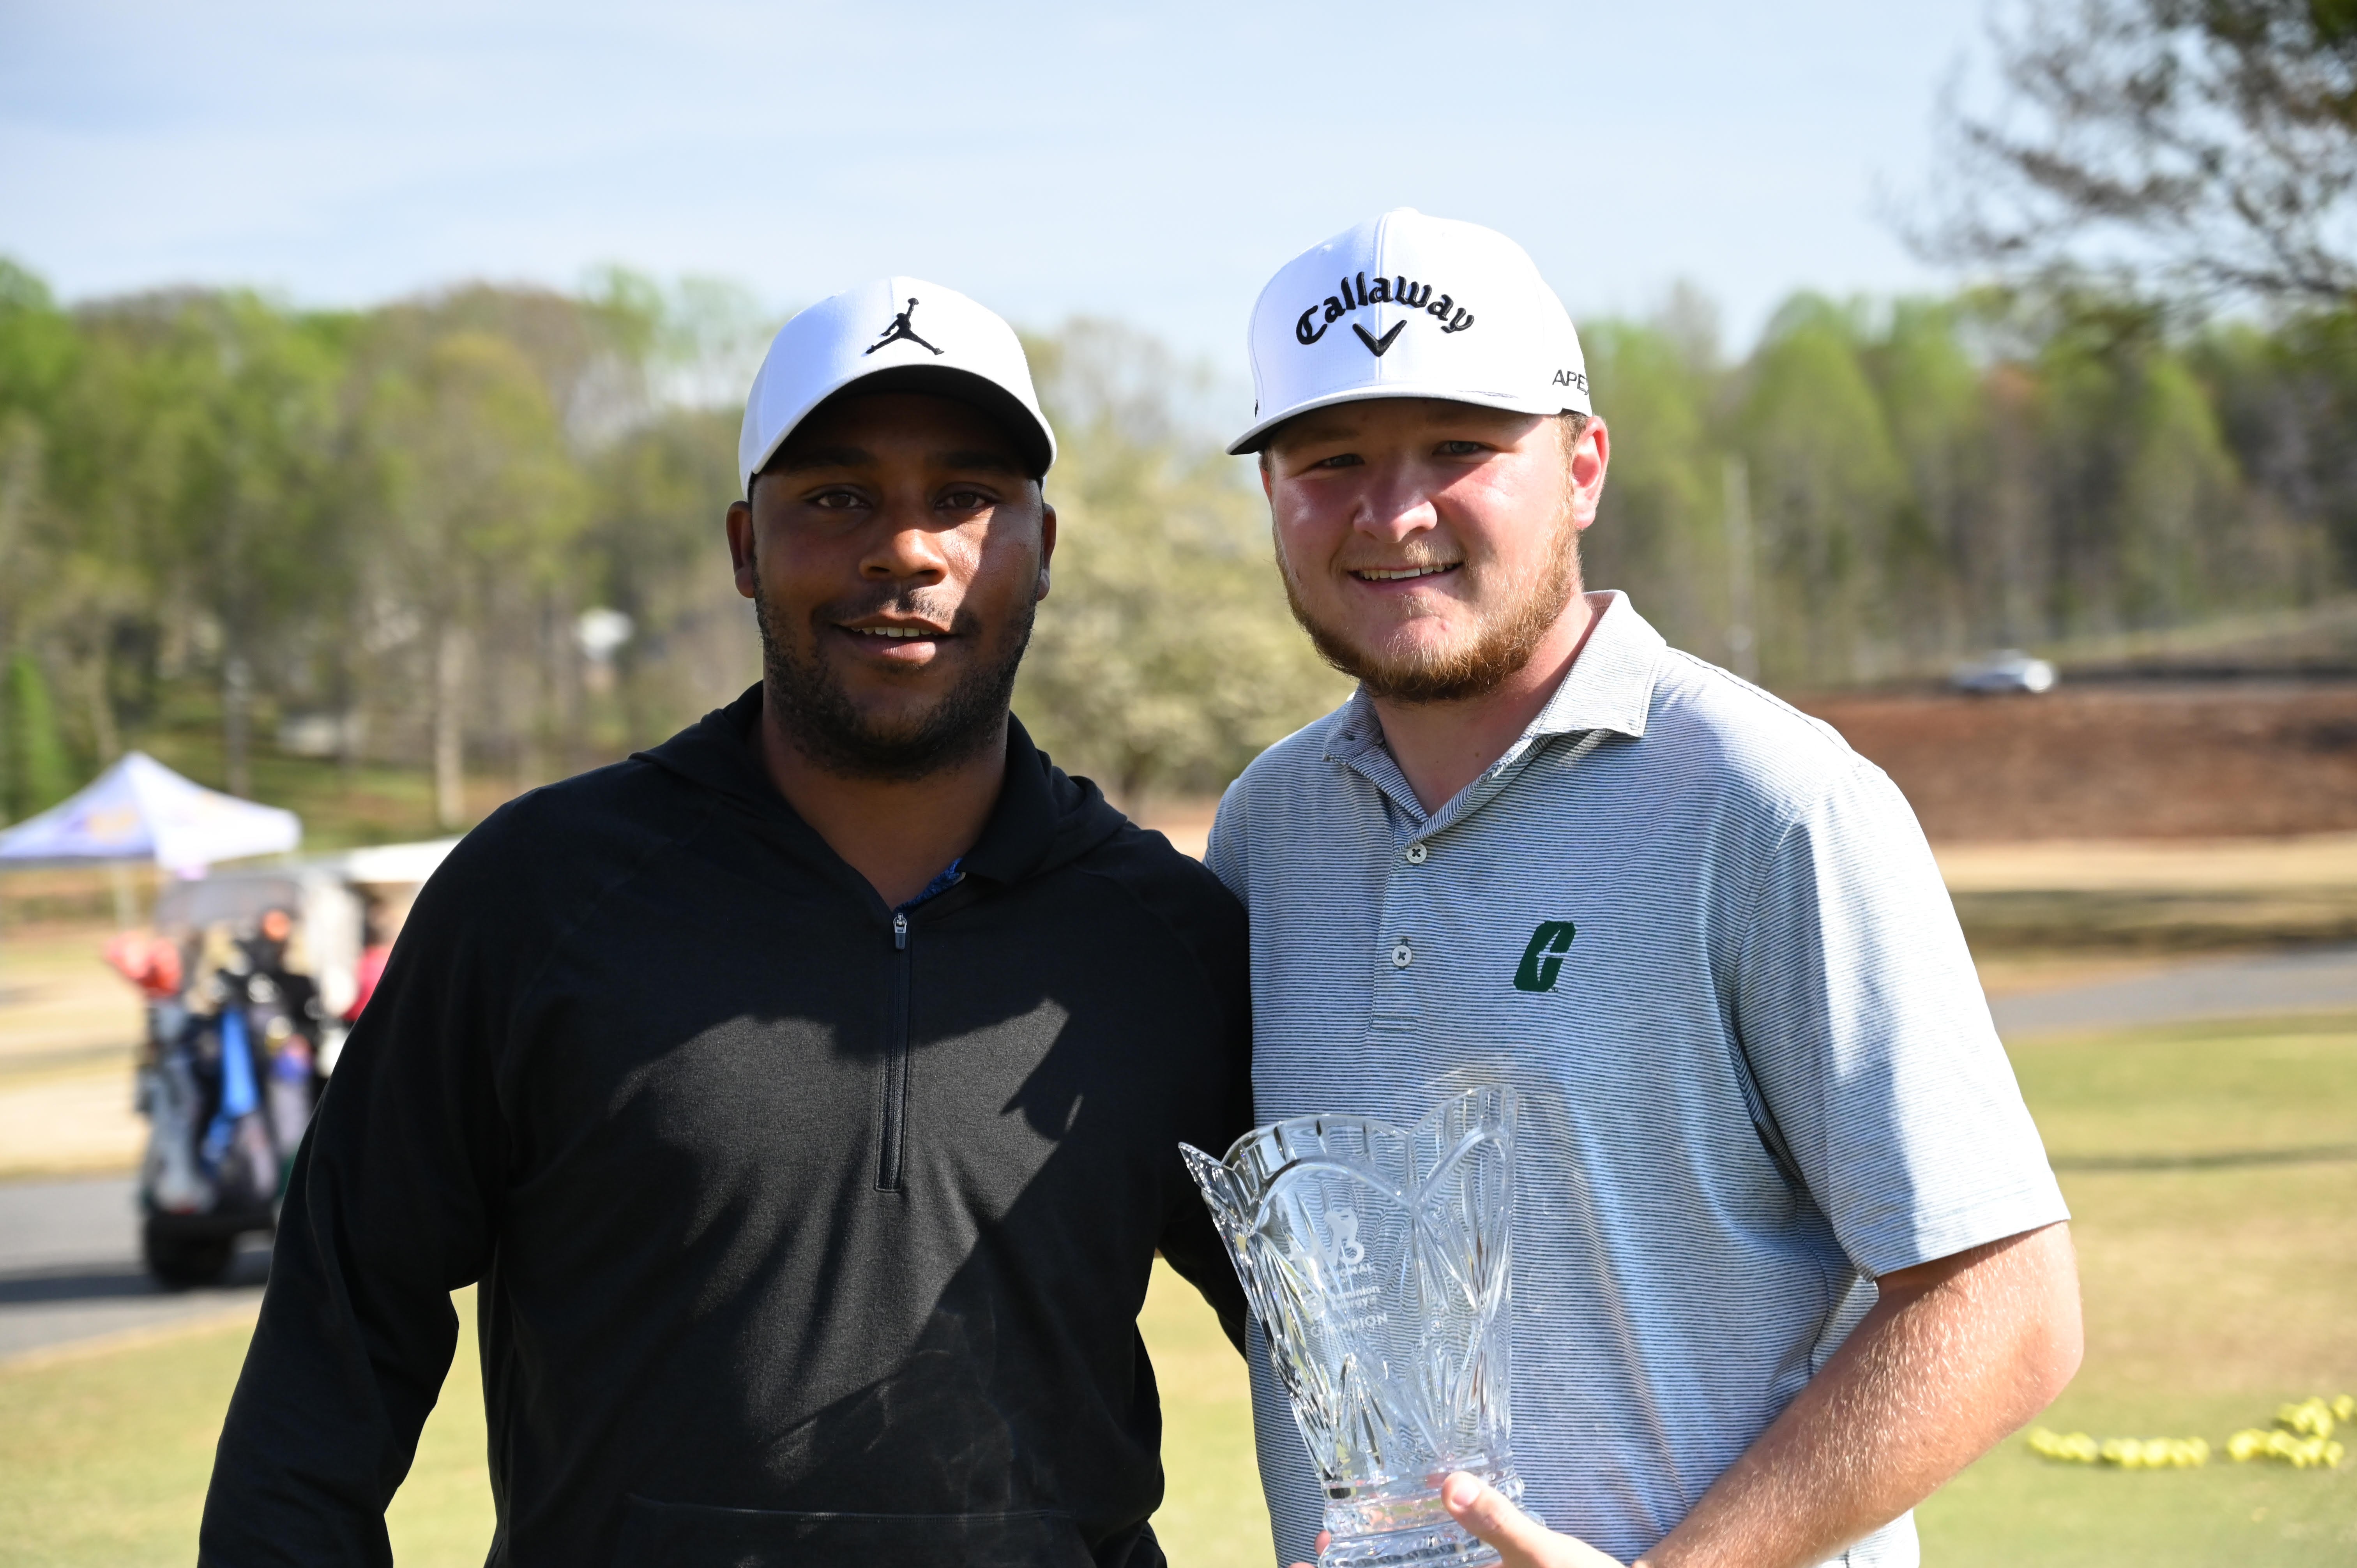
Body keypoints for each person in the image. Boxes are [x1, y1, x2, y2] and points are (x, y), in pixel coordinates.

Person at [200, 278, 1253, 1568]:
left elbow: (1345, 1352)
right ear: (746, 547)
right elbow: (338, 1339)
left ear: (1044, 545)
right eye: (836, 498)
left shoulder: (1167, 941)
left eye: (965, 498)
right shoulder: (539, 895)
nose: (905, 549)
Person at [1209, 210, 2081, 1568]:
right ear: (1274, 497)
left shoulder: (1766, 798)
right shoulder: (1269, 830)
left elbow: (2005, 1302)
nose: (1395, 513)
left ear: (1584, 467)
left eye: (1460, 448)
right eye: (1331, 462)